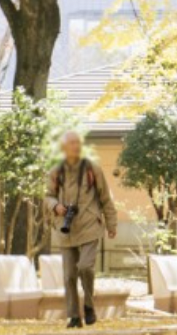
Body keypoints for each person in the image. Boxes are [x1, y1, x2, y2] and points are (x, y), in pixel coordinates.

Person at [46, 130, 117, 330]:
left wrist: (111, 224)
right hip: (66, 228)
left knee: (85, 267)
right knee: (69, 275)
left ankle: (89, 305)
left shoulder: (92, 168)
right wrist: (55, 206)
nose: (76, 146)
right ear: (63, 147)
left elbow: (105, 198)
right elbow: (47, 195)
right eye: (71, 143)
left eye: (78, 142)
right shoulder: (56, 171)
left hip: (89, 226)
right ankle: (74, 317)